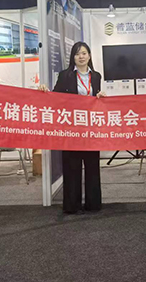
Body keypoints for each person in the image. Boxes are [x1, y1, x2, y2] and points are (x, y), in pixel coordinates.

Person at [39, 42, 106, 214]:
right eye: (77, 54)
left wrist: (101, 97)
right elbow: (55, 97)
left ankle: (93, 204)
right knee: (71, 167)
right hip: (71, 130)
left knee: (92, 167)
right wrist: (45, 91)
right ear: (73, 57)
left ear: (89, 56)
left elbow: (97, 100)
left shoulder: (96, 76)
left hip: (91, 129)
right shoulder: (65, 75)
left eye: (84, 53)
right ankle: (72, 205)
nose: (81, 57)